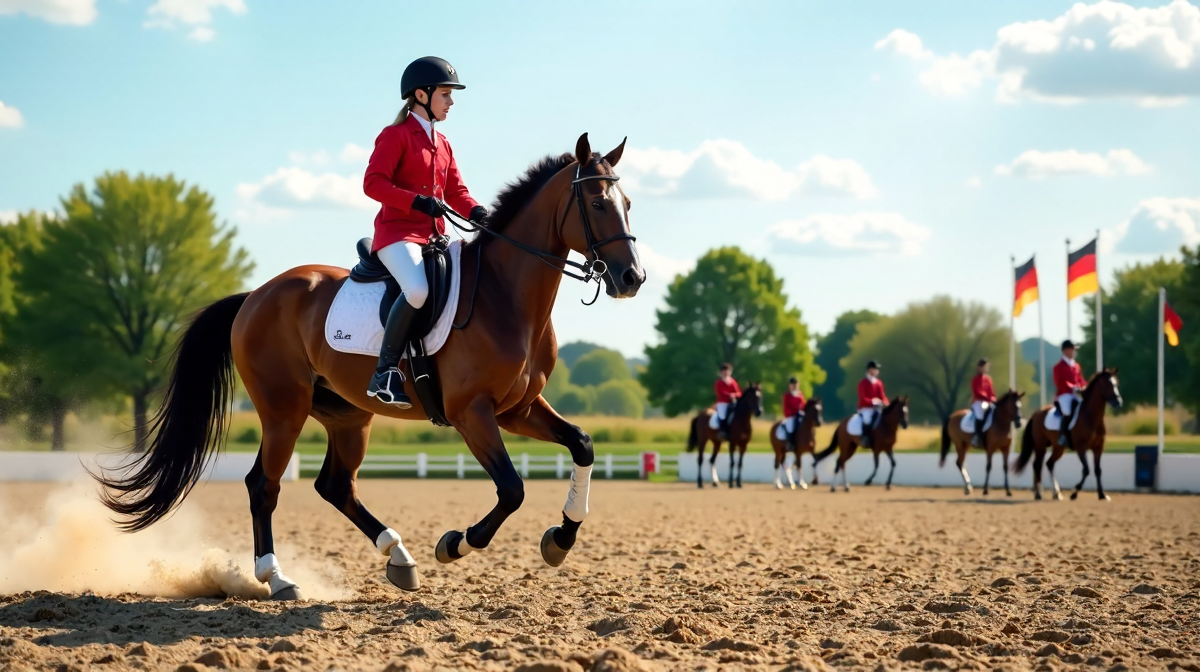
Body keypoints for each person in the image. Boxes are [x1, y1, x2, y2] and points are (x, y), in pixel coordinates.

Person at [362, 56, 488, 408]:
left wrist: (476, 210)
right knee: (417, 289)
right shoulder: (395, 136)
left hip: (434, 239)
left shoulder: (443, 143)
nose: (451, 102)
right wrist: (417, 202)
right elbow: (373, 184)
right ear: (421, 94)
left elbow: (456, 193)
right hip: (397, 235)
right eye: (445, 95)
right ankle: (384, 371)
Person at [1052, 340, 1086, 447]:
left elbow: (1081, 379)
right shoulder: (1058, 367)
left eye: (1074, 349)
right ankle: (1062, 436)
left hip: (1077, 393)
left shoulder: (1076, 365)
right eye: (1072, 349)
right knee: (1067, 411)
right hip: (1065, 394)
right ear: (1066, 350)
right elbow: (1059, 383)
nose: (1074, 352)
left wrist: (1084, 386)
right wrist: (1073, 388)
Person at [856, 360, 888, 448]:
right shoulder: (863, 383)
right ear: (870, 370)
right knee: (867, 419)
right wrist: (873, 402)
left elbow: (882, 395)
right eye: (875, 369)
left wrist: (886, 403)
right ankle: (865, 438)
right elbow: (862, 397)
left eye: (877, 369)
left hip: (877, 407)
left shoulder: (878, 383)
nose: (877, 371)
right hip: (866, 408)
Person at [709, 363, 742, 438]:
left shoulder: (733, 382)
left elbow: (739, 393)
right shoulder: (719, 382)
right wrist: (730, 395)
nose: (726, 372)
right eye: (724, 371)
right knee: (722, 416)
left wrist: (734, 395)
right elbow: (720, 393)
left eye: (727, 371)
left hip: (733, 402)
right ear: (721, 372)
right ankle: (722, 431)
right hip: (723, 402)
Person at [970, 358, 996, 447]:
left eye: (985, 366)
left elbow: (991, 391)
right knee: (980, 414)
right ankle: (977, 436)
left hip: (988, 401)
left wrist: (993, 398)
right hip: (978, 401)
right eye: (982, 366)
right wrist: (987, 398)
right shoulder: (975, 379)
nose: (984, 368)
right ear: (978, 367)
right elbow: (977, 392)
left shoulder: (988, 379)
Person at [781, 376, 806, 449]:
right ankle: (790, 443)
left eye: (796, 385)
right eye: (793, 385)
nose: (795, 387)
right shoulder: (787, 396)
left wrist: (803, 411)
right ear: (790, 386)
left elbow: (803, 404)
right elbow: (786, 408)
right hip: (791, 416)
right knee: (790, 427)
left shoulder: (800, 394)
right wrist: (795, 413)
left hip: (800, 415)